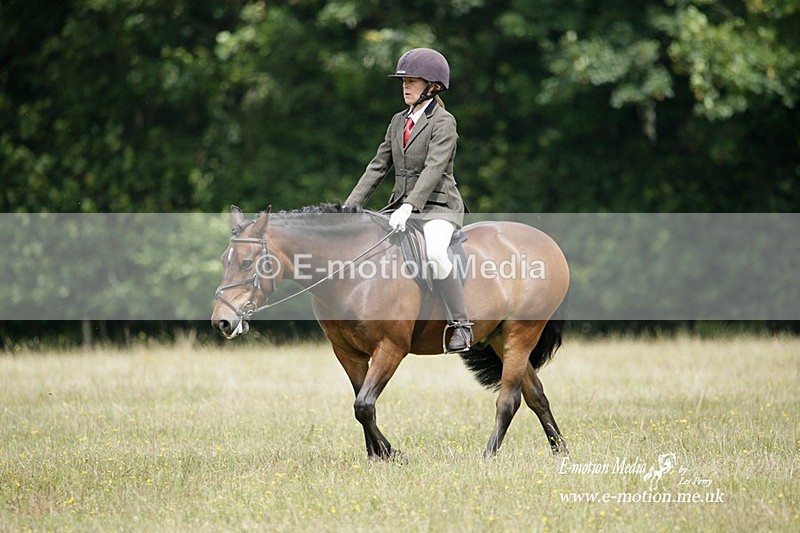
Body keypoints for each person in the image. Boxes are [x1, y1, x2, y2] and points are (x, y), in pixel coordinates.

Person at [345, 47, 472, 353]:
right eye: (403, 80)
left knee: (436, 253)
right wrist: (349, 206)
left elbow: (434, 169)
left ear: (433, 86)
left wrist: (409, 206)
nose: (405, 86)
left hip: (438, 207)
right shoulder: (397, 121)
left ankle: (461, 324)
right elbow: (378, 166)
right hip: (400, 206)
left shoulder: (444, 122)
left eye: (413, 80)